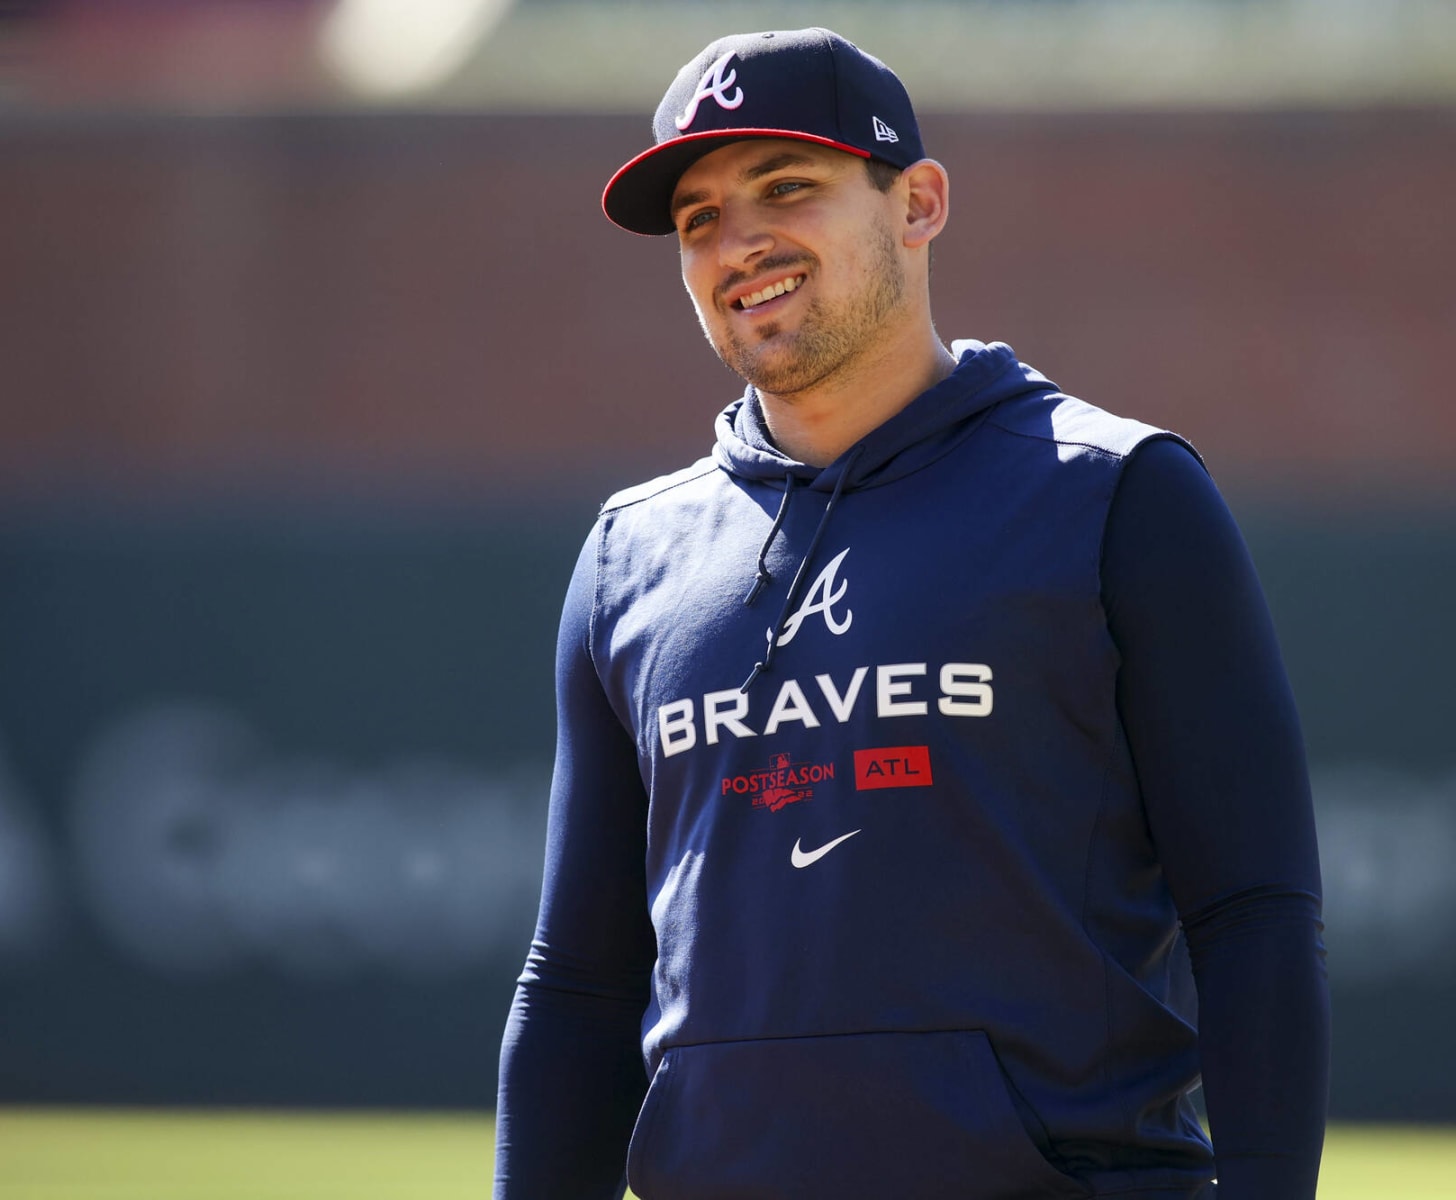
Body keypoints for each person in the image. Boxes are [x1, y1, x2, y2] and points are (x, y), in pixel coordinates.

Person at [495, 27, 1329, 1200]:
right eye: (699, 219)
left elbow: (1253, 914)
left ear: (918, 203)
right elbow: (578, 983)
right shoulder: (630, 554)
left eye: (787, 188)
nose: (739, 243)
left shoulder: (1114, 493)